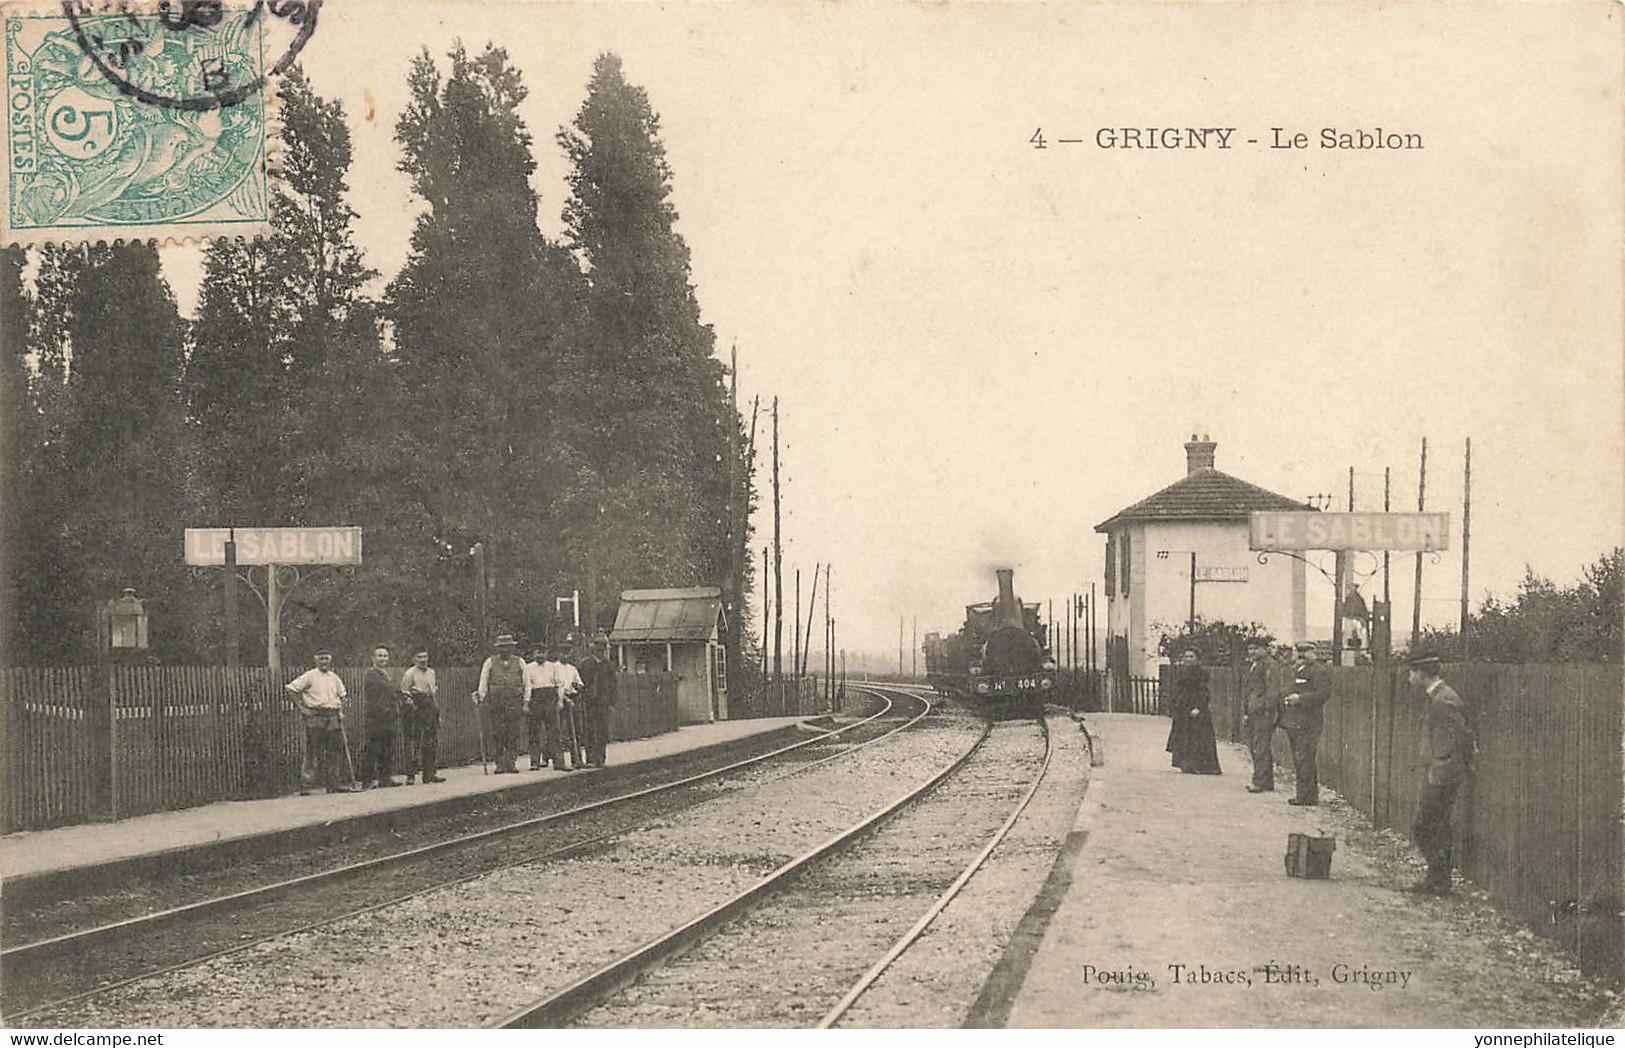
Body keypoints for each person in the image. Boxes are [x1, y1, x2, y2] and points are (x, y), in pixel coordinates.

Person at [1405, 654, 1475, 895]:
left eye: (1412, 672)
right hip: (1440, 770)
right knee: (1436, 826)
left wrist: (1440, 767)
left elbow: (1461, 737)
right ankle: (1437, 880)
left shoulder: (1443, 700)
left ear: (1422, 673)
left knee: (1425, 826)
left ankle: (1439, 878)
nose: (1409, 677)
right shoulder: (1437, 697)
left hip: (1443, 774)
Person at [285, 649, 358, 794]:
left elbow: (342, 695)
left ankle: (333, 784)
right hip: (315, 716)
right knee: (313, 750)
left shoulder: (334, 677)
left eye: (327, 659)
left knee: (334, 751)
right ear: (316, 660)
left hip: (333, 716)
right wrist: (302, 708)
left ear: (330, 660)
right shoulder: (310, 676)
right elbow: (291, 689)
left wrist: (341, 710)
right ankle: (306, 785)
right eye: (321, 659)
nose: (324, 662)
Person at [1279, 640, 1334, 805]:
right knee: (1300, 758)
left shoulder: (1320, 671)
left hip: (1309, 722)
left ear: (1314, 653)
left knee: (1305, 758)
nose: (1302, 655)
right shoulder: (1298, 670)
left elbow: (1323, 694)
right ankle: (1305, 795)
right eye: (1299, 652)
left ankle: (1306, 797)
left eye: (1306, 652)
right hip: (1295, 721)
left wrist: (1300, 699)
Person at [474, 634, 530, 774]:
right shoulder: (490, 662)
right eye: (502, 647)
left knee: (513, 734)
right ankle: (499, 763)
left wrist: (526, 702)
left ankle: (511, 763)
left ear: (512, 648)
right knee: (498, 734)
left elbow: (527, 683)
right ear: (498, 648)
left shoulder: (520, 662)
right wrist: (481, 698)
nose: (505, 649)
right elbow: (483, 681)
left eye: (508, 647)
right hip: (496, 703)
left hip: (514, 702)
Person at [1164, 646, 1221, 774]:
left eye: (1191, 657)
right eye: (1186, 657)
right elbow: (1177, 689)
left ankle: (1202, 766)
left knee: (1198, 737)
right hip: (1183, 707)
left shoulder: (1201, 672)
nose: (1188, 659)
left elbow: (1203, 691)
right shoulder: (1181, 671)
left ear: (1198, 659)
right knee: (1184, 735)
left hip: (1196, 707)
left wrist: (1198, 707)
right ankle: (1186, 764)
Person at [399, 648, 445, 784]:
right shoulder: (409, 673)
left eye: (425, 657)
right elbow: (405, 693)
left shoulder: (432, 672)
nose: (423, 660)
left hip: (430, 707)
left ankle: (429, 774)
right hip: (416, 708)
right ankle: (411, 776)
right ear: (414, 659)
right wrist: (412, 708)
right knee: (414, 743)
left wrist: (437, 713)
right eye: (419, 657)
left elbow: (433, 695)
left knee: (431, 742)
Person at [359, 645, 403, 788]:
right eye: (380, 655)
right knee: (372, 749)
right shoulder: (371, 674)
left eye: (385, 655)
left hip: (389, 717)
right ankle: (367, 780)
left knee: (387, 749)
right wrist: (383, 710)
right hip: (376, 718)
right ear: (373, 658)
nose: (383, 658)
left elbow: (393, 692)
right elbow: (375, 697)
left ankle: (385, 778)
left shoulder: (386, 674)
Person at [1241, 638, 1278, 792]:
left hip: (1262, 712)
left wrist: (1268, 710)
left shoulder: (1269, 665)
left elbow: (1272, 689)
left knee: (1260, 747)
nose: (1252, 652)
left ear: (1265, 649)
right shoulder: (1254, 665)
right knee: (1257, 746)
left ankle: (1259, 781)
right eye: (1250, 649)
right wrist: (1246, 712)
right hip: (1253, 711)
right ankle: (1266, 781)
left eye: (1255, 648)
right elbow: (1249, 691)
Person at [576, 631, 617, 768]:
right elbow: (578, 682)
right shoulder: (585, 664)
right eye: (598, 649)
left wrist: (612, 702)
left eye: (602, 649)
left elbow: (613, 685)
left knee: (602, 731)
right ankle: (590, 759)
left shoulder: (608, 665)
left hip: (603, 703)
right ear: (593, 649)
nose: (600, 652)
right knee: (589, 730)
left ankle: (601, 758)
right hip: (589, 703)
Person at [524, 645, 561, 772]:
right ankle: (535, 762)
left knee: (554, 731)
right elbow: (527, 686)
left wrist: (560, 700)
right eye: (537, 652)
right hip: (536, 699)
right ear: (534, 653)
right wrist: (526, 702)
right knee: (534, 732)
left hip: (550, 698)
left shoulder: (553, 667)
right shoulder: (528, 668)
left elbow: (558, 684)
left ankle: (558, 761)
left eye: (543, 652)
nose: (540, 655)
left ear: (547, 653)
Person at [557, 642, 588, 770]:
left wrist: (578, 686)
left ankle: (577, 759)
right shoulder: (554, 668)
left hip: (573, 699)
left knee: (575, 730)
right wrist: (564, 698)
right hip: (559, 700)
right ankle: (557, 761)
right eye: (563, 652)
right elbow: (555, 686)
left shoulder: (572, 668)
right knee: (558, 731)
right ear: (559, 654)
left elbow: (580, 683)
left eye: (568, 652)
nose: (565, 654)